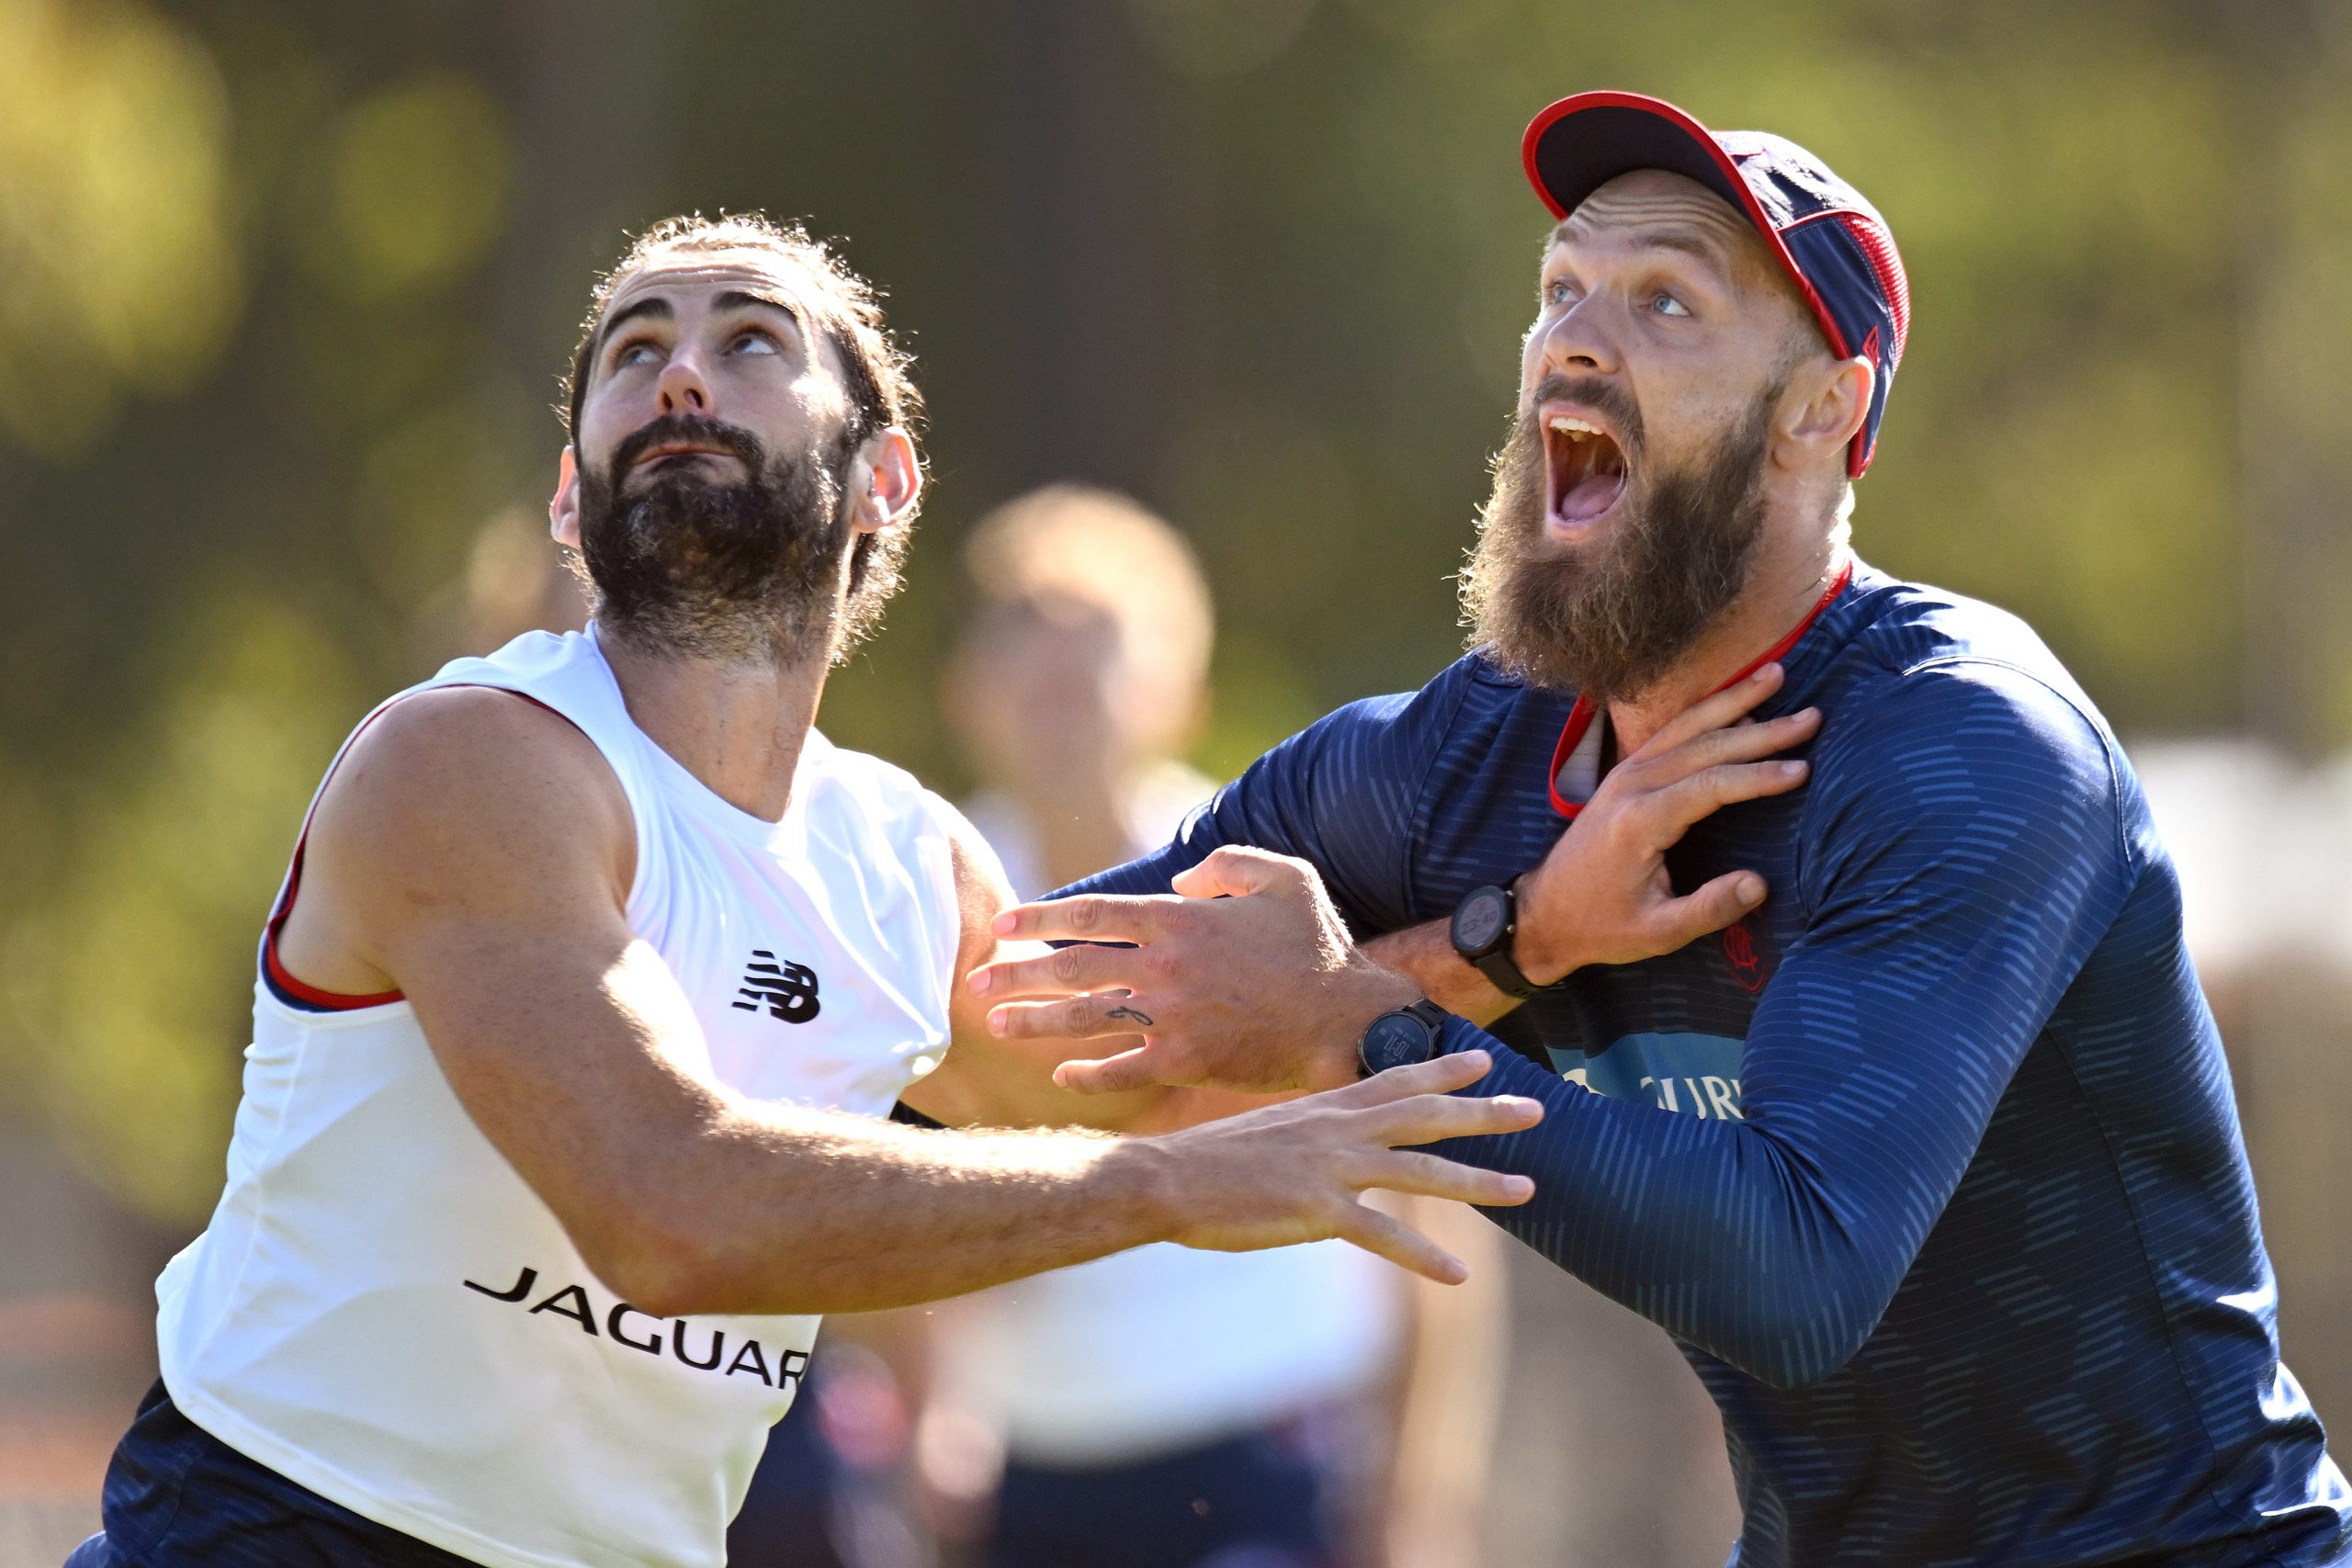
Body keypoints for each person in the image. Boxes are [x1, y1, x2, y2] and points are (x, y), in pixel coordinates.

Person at [971, 92, 2352, 1566]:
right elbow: (991, 1033)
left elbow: (1799, 1275)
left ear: (1823, 407)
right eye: (1560, 288)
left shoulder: (1962, 746)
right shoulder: (1454, 761)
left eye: (1666, 302)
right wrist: (1499, 946)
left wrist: (1363, 1027)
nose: (1577, 333)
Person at [65, 213, 1555, 1568]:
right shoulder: (471, 762)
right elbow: (668, 1210)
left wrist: (1533, 931)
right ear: (571, 499)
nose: (682, 375)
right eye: (634, 350)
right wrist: (1166, 1193)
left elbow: (1147, 1080)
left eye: (749, 341)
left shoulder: (907, 866)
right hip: (273, 1532)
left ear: (880, 479)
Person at [923, 486, 1505, 1568]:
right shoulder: (924, 918)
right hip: (1033, 1475)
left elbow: (1433, 1201)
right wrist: (922, 1419)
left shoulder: (1280, 903)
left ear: (1177, 693)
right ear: (968, 693)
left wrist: (1419, 1496)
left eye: (1091, 659)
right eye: (1026, 659)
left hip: (1271, 1455)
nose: (1058, 695)